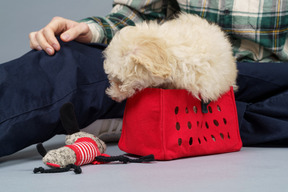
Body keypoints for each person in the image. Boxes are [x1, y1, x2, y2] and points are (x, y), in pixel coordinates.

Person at [1, 0, 288, 158]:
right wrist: (90, 31)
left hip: (270, 71)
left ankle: (154, 119)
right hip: (167, 64)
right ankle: (180, 121)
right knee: (65, 62)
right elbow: (136, 14)